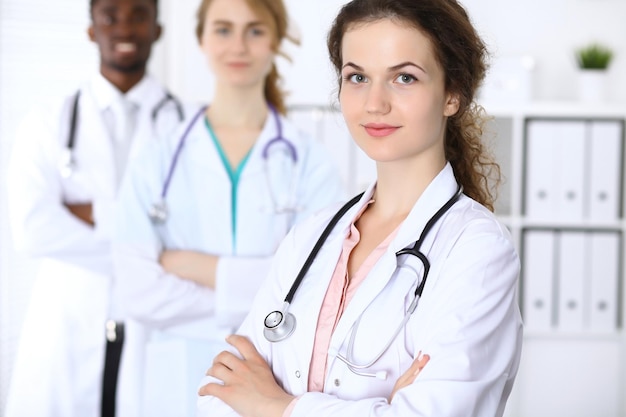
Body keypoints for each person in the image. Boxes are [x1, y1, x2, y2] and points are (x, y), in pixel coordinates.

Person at [196, 0, 523, 416]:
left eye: (404, 77)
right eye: (357, 77)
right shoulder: (313, 235)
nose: (374, 103)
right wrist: (377, 407)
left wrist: (277, 406)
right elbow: (216, 397)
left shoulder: (476, 249)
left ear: (452, 94)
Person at [111, 0, 345, 416]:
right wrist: (264, 293)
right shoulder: (156, 159)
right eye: (223, 29)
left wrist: (191, 267)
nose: (238, 45)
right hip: (174, 380)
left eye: (254, 30)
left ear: (275, 40)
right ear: (201, 39)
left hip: (271, 383)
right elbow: (135, 291)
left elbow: (317, 288)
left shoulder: (310, 161)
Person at [4, 0, 190, 416]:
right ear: (91, 30)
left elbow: (196, 230)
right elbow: (33, 231)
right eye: (110, 15)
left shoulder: (191, 126)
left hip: (155, 329)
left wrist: (92, 213)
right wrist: (147, 239)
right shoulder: (47, 121)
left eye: (139, 14)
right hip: (67, 325)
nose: (124, 27)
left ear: (157, 29)